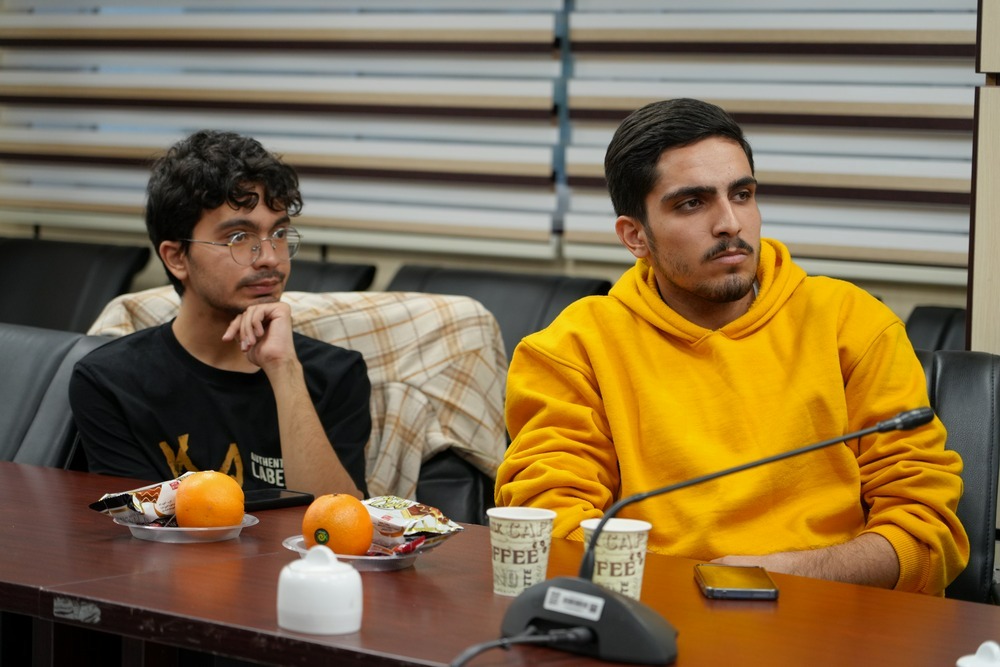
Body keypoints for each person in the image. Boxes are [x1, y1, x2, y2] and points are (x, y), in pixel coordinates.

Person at [495, 98, 968, 595]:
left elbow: (926, 532)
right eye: (692, 203)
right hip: (651, 611)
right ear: (635, 236)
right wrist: (696, 591)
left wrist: (795, 575)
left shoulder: (851, 323)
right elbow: (549, 526)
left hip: (826, 608)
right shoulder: (572, 348)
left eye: (741, 195)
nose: (730, 224)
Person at [70, 130, 370, 498]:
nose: (270, 258)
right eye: (239, 238)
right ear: (176, 258)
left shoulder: (337, 374)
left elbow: (338, 520)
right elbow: (138, 522)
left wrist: (284, 370)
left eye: (279, 234)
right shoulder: (112, 381)